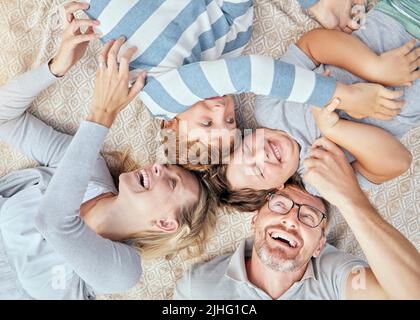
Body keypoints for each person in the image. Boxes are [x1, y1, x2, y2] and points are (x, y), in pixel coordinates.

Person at [0, 3, 216, 300]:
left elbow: (55, 222)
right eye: (166, 166)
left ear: (166, 223)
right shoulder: (87, 168)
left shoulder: (123, 269)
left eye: (171, 181)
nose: (157, 166)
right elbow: (3, 117)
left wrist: (102, 114)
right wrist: (57, 67)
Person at [84, 0, 399, 163]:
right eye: (231, 119)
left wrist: (339, 95)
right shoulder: (227, 48)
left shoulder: (160, 97)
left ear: (172, 126)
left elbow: (250, 73)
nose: (222, 108)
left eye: (208, 123)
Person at [205, 2, 419, 209]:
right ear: (277, 188)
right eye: (260, 171)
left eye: (248, 149)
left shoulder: (270, 106)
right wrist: (334, 129)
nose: (263, 155)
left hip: (400, 19)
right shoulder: (318, 179)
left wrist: (375, 67)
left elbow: (312, 45)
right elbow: (397, 162)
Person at [173, 137, 420, 300]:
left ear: (319, 245)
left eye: (309, 217)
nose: (291, 220)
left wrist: (351, 200)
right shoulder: (200, 287)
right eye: (280, 205)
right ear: (255, 219)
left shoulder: (334, 277)